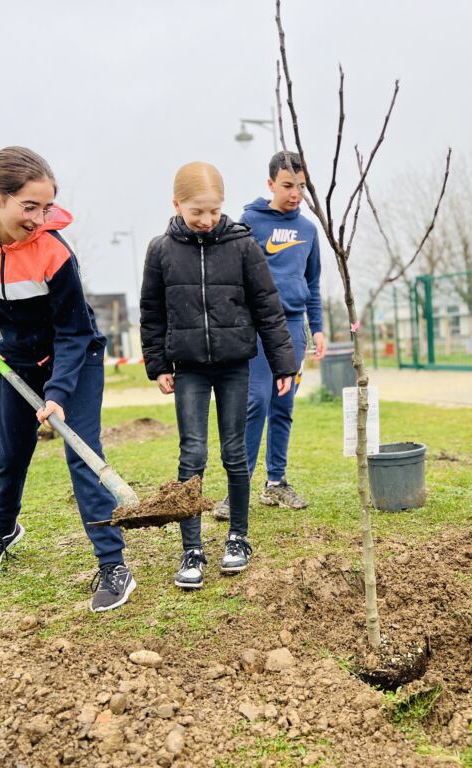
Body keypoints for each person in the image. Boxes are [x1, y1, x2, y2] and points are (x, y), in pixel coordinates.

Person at [0, 145, 134, 612]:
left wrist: (59, 393)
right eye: (30, 206)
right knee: (9, 454)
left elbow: (74, 331)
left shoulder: (53, 251)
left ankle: (113, 565)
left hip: (75, 357)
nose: (39, 218)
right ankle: (4, 530)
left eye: (46, 207)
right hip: (17, 356)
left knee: (81, 455)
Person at [140, 161, 296, 589]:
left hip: (233, 365)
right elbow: (152, 312)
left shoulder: (242, 246)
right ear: (177, 205)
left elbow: (267, 306)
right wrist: (158, 364)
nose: (206, 220)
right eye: (197, 212)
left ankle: (238, 537)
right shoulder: (160, 250)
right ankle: (191, 549)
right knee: (191, 454)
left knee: (234, 453)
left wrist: (283, 362)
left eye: (213, 210)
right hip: (188, 367)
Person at [214, 151, 326, 520]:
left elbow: (312, 283)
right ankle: (238, 489)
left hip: (294, 329)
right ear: (271, 184)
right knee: (257, 401)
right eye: (288, 185)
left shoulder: (309, 231)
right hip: (259, 329)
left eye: (301, 187)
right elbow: (233, 275)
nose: (295, 194)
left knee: (284, 405)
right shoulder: (250, 222)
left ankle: (276, 482)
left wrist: (317, 328)